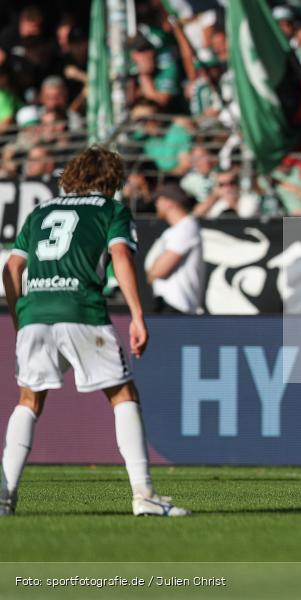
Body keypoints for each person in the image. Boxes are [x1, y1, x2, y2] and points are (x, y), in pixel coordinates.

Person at [0, 146, 189, 517]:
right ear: (113, 179)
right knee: (123, 394)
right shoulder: (110, 210)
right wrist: (137, 315)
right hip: (80, 308)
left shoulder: (40, 211)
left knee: (29, 400)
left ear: (73, 175)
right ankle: (145, 496)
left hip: (35, 311)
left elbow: (12, 268)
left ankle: (5, 498)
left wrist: (20, 317)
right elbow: (120, 256)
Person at [147, 184, 205, 315]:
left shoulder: (186, 227)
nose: (156, 204)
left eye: (159, 200)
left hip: (177, 306)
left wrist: (152, 272)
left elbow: (159, 271)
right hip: (168, 305)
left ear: (169, 202)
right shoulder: (176, 230)